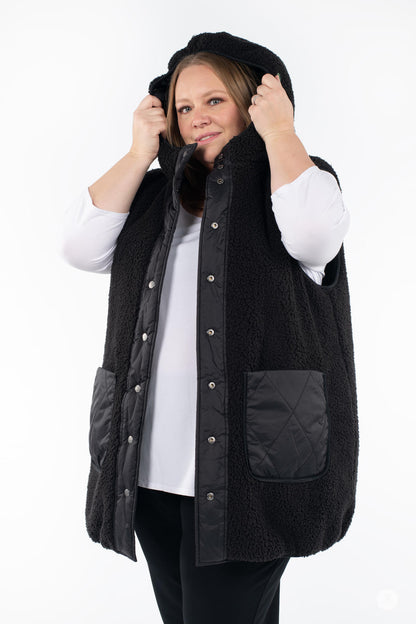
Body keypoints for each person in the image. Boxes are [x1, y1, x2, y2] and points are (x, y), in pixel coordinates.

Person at [60, 31, 358, 624]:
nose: (196, 118)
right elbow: (79, 247)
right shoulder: (152, 198)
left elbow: (314, 237)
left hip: (249, 474)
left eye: (215, 100)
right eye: (183, 107)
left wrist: (280, 132)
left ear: (253, 102)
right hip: (150, 467)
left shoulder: (294, 183)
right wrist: (139, 152)